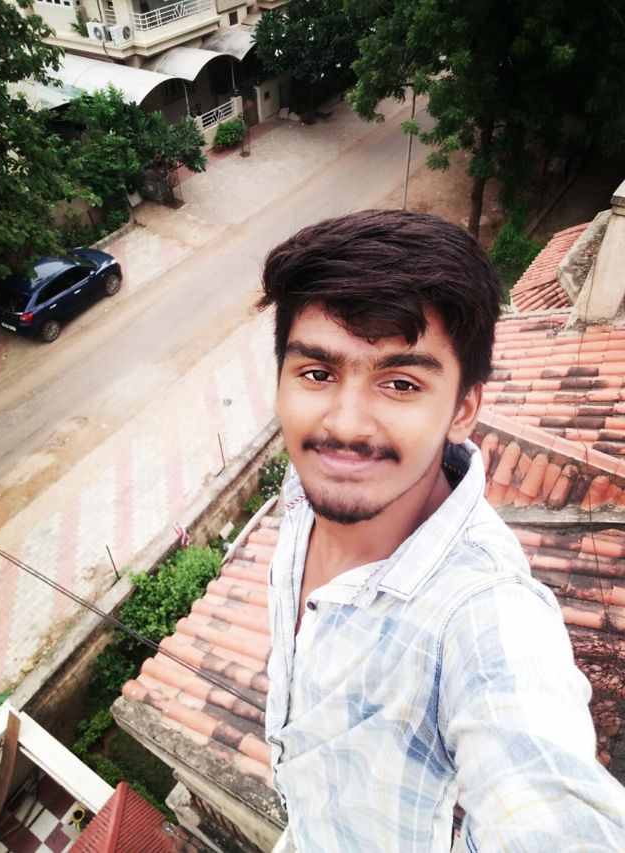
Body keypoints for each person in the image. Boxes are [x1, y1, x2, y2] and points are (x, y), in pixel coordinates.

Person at [258, 209, 625, 851]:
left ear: (463, 409)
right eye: (317, 373)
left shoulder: (483, 615)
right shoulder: (301, 498)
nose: (345, 425)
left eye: (401, 383)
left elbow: (549, 802)